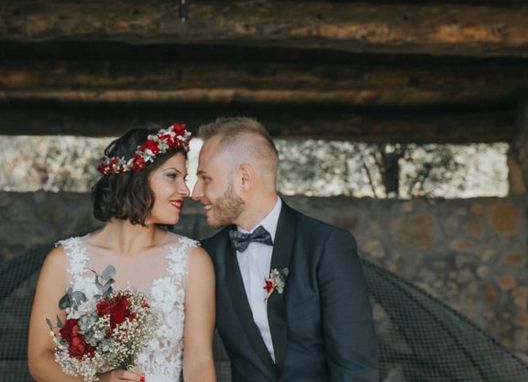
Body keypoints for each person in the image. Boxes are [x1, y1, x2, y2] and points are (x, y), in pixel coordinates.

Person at [192, 117, 379, 382]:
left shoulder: (326, 246)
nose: (195, 192)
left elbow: (356, 367)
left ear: (244, 178)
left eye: (205, 178)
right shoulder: (207, 256)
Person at [28, 123, 217, 382]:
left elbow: (199, 364)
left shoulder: (192, 261)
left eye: (184, 178)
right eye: (172, 176)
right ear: (134, 177)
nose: (185, 190)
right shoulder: (63, 260)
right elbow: (40, 359)